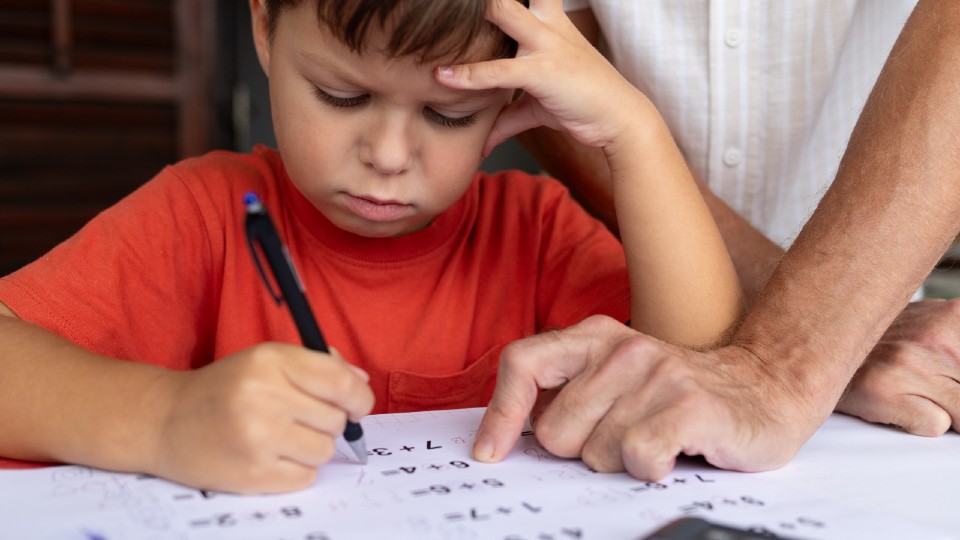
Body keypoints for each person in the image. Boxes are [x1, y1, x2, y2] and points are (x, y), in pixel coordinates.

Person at [0, 0, 743, 493]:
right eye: (341, 96)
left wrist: (634, 135)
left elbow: (700, 370)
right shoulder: (206, 216)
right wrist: (165, 418)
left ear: (515, 97)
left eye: (450, 116)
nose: (388, 156)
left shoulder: (535, 229)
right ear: (264, 26)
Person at [440, 0, 960, 479]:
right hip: (858, 356)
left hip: (885, 363)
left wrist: (798, 355)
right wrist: (804, 347)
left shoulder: (534, 229)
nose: (389, 155)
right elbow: (538, 56)